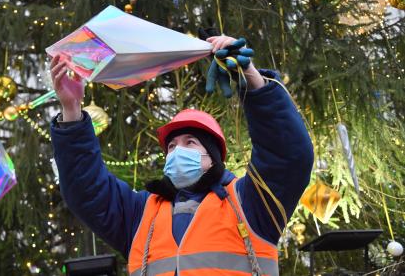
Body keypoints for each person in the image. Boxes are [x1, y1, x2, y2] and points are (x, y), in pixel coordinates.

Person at [50, 35, 314, 276]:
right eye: (172, 146)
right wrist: (71, 110)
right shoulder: (139, 214)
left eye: (191, 142)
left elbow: (288, 156)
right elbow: (85, 190)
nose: (178, 151)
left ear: (213, 158)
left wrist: (251, 77)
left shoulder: (249, 203)